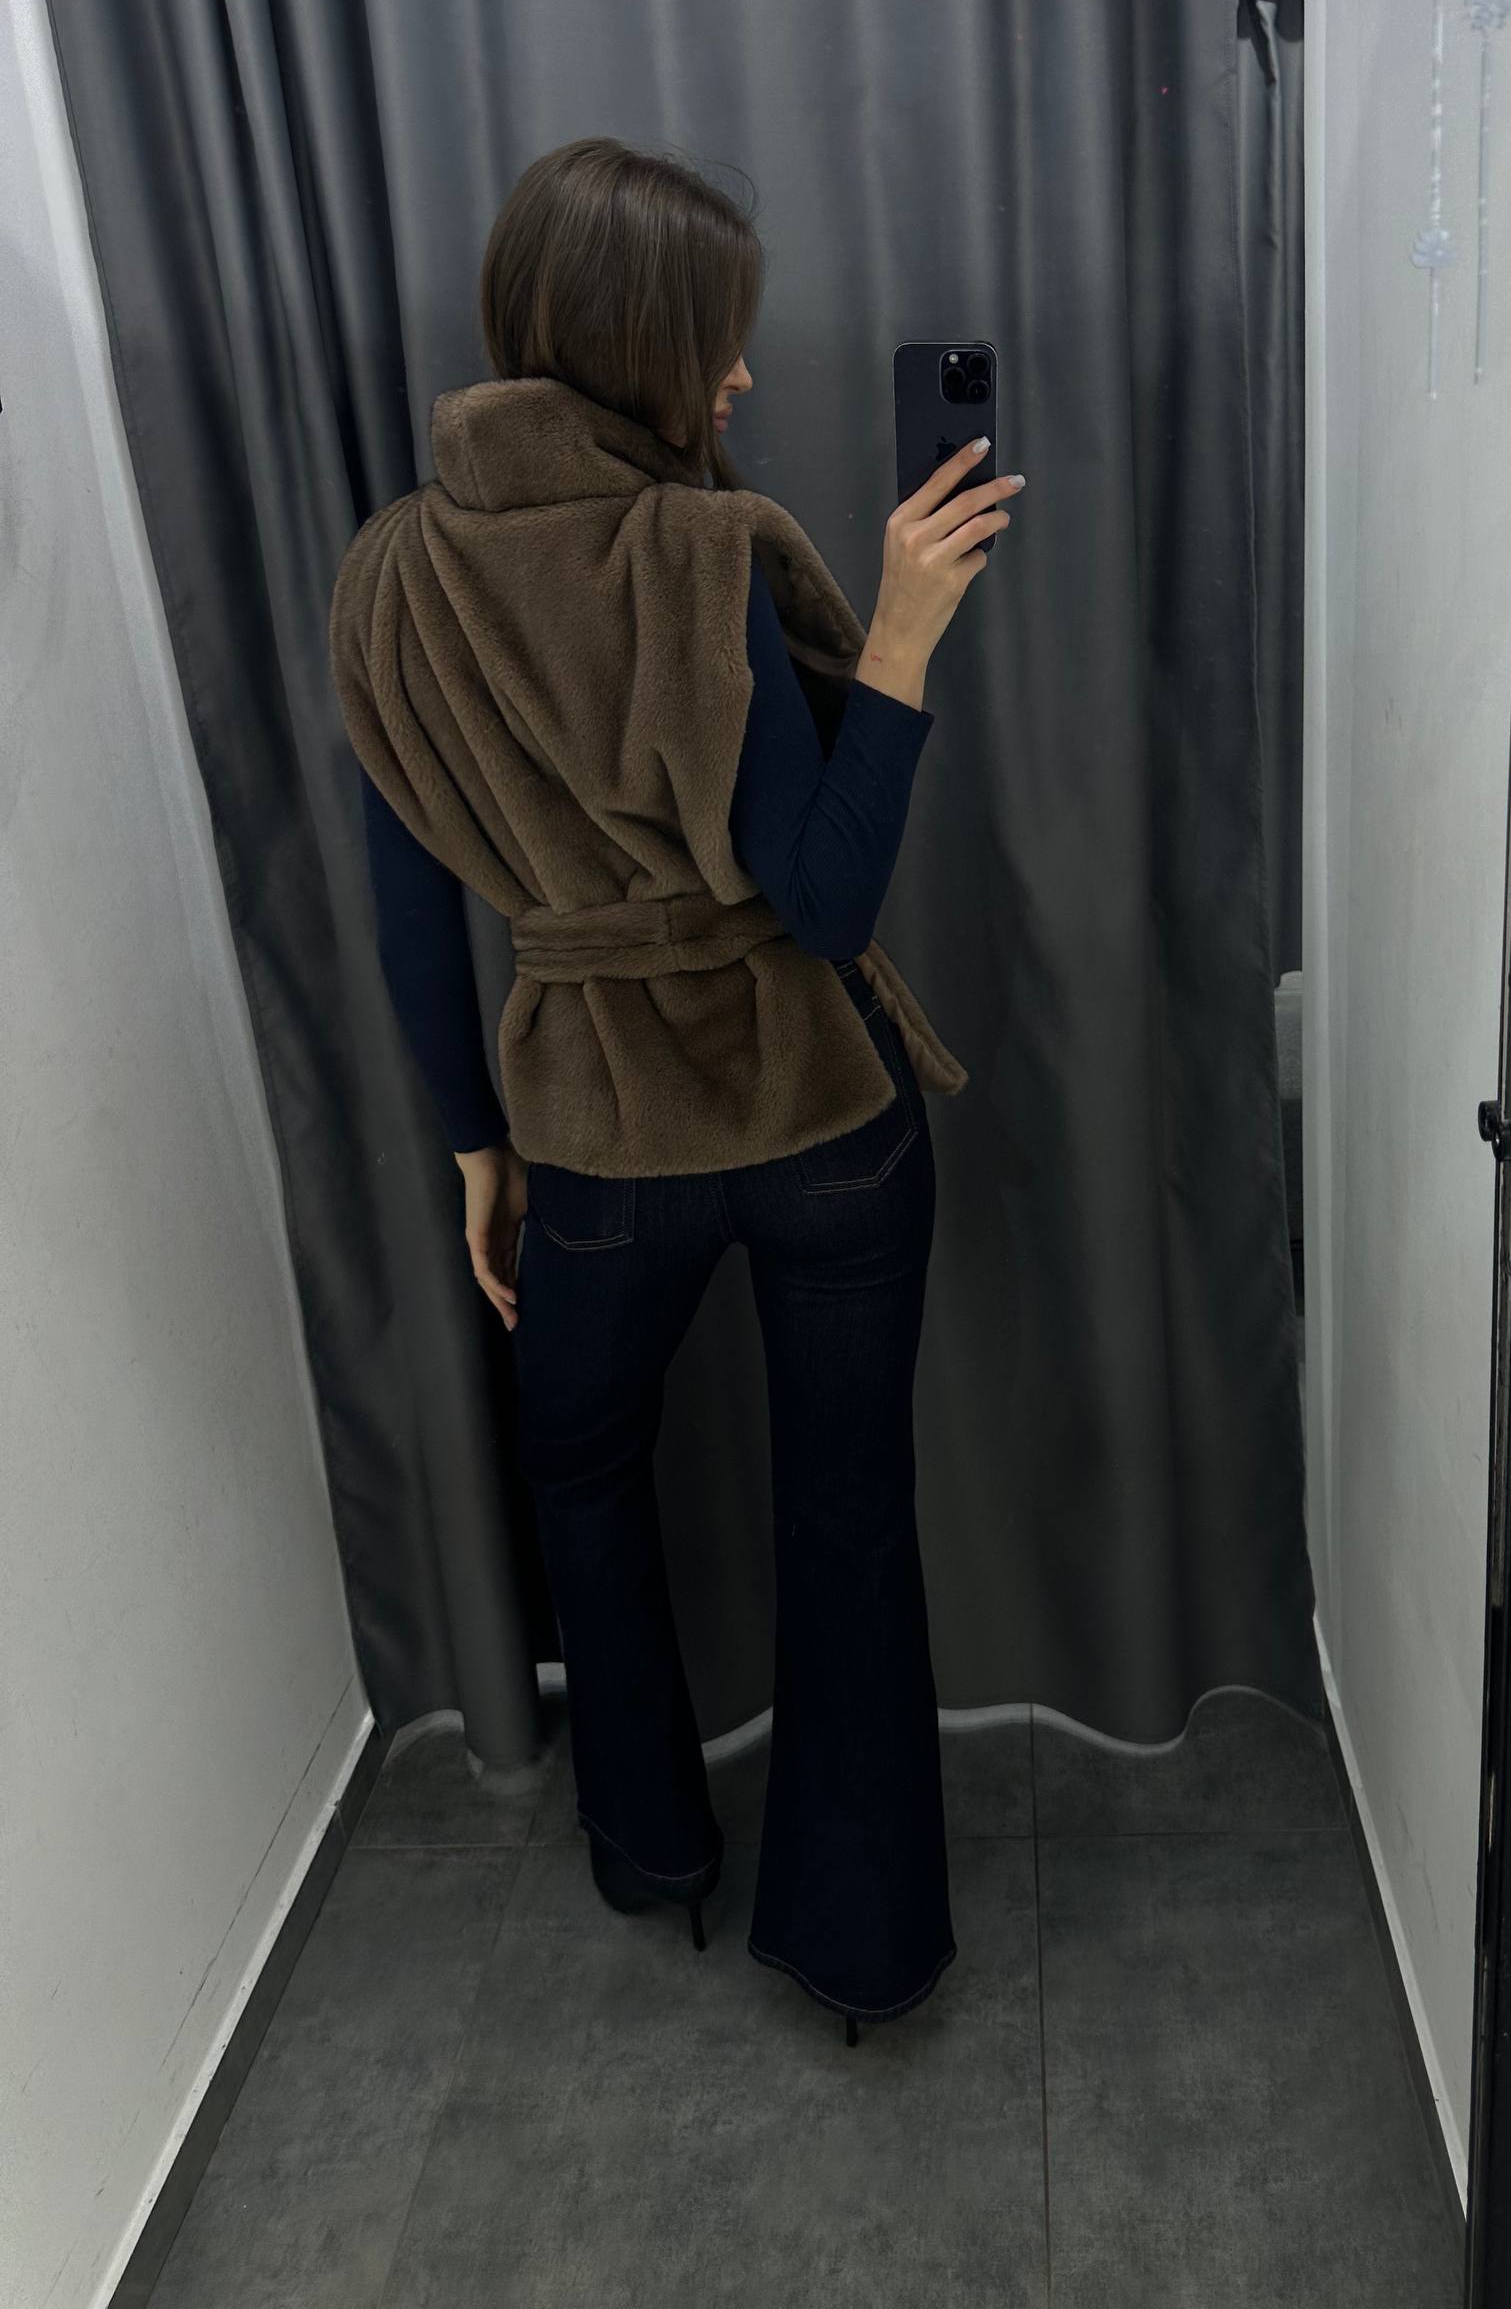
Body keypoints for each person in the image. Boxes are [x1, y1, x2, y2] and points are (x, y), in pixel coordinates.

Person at [327, 136, 1025, 2046]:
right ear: (636, 342)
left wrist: (477, 1150)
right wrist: (901, 634)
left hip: (593, 1140)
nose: (737, 377)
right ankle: (863, 1948)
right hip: (819, 1119)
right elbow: (823, 899)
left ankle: (649, 1845)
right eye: (716, 341)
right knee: (848, 1511)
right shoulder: (704, 554)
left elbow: (411, 909)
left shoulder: (392, 581)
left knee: (580, 1478)